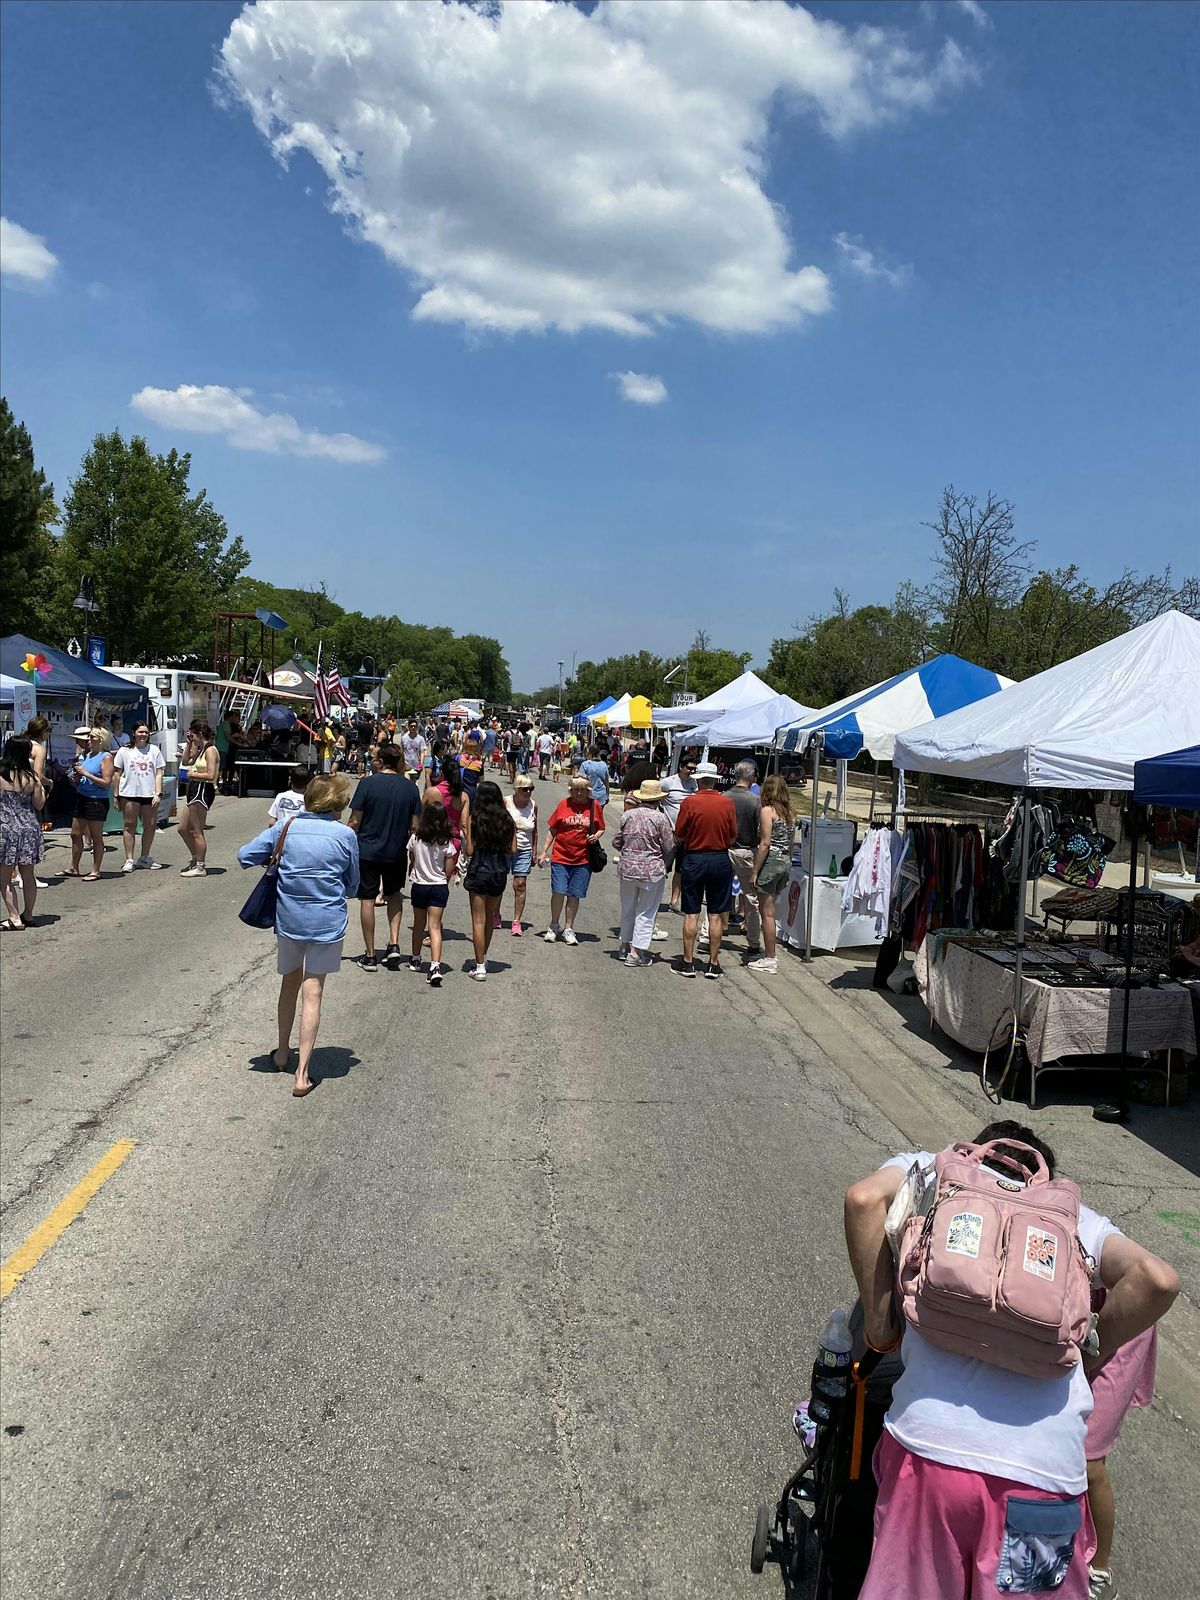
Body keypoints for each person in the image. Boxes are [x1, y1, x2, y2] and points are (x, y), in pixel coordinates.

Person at [844, 1121, 1181, 1600]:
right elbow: (1158, 1279)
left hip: (931, 1456)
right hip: (1046, 1481)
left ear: (976, 1153)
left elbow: (862, 1201)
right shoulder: (1076, 1221)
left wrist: (881, 1329)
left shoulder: (933, 1173)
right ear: (1042, 1180)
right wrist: (1081, 1357)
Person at [237, 772, 360, 1097]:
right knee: (313, 991)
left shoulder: (286, 826)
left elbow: (245, 855)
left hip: (290, 918)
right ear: (336, 803)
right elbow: (352, 884)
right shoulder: (345, 835)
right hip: (327, 921)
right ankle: (302, 1073)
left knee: (289, 982)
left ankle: (281, 1051)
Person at [348, 742, 422, 972]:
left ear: (381, 761)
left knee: (367, 900)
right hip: (396, 851)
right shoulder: (410, 788)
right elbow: (415, 826)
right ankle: (393, 943)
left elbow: (354, 822)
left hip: (368, 851)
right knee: (394, 895)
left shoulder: (367, 784)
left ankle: (370, 955)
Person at [673, 761, 735, 978]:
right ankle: (713, 962)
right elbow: (732, 834)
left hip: (695, 857)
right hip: (719, 857)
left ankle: (688, 961)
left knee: (691, 913)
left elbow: (679, 832)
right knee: (716, 914)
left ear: (698, 780)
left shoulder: (690, 803)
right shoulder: (727, 803)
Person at [613, 778, 675, 967]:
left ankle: (624, 944)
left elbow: (617, 842)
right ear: (657, 800)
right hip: (651, 870)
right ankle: (636, 951)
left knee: (628, 907)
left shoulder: (628, 816)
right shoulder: (660, 818)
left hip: (628, 868)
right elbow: (669, 846)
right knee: (646, 912)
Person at [539, 773, 605, 945]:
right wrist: (543, 851)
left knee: (574, 894)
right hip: (561, 856)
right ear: (570, 790)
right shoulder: (563, 804)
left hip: (583, 859)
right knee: (558, 891)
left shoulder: (594, 805)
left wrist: (596, 836)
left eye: (582, 790)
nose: (578, 793)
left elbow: (601, 828)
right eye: (575, 790)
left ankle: (569, 928)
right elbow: (552, 829)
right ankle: (554, 925)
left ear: (588, 791)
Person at [463, 779, 515, 980]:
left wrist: (469, 836)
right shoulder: (507, 820)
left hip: (478, 870)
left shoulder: (475, 819)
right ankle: (483, 958)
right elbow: (512, 849)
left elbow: (469, 851)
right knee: (489, 918)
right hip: (499, 872)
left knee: (477, 920)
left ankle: (479, 966)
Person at [407, 789, 458, 985]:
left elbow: (411, 857)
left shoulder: (416, 838)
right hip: (438, 885)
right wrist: (443, 878)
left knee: (418, 924)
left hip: (420, 884)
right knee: (434, 927)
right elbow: (450, 866)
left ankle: (416, 957)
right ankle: (435, 965)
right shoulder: (446, 842)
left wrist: (415, 867)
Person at [747, 774, 795, 974]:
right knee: (771, 910)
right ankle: (769, 953)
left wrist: (755, 871)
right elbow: (791, 844)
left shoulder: (768, 811)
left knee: (766, 913)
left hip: (771, 862)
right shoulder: (790, 813)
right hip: (784, 861)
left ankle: (770, 957)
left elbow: (765, 843)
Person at [0, 735, 47, 928]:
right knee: (29, 876)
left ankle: (14, 917)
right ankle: (28, 914)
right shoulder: (31, 777)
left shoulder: (1, 774)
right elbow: (39, 804)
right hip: (29, 828)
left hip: (5, 828)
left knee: (5, 877)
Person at [113, 721, 166, 871]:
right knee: (129, 825)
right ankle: (129, 859)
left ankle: (144, 857)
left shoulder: (154, 750)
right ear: (134, 733)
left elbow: (159, 773)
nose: (143, 735)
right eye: (140, 732)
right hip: (129, 793)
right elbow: (117, 773)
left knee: (150, 825)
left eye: (146, 732)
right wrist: (116, 795)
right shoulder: (124, 751)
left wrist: (158, 793)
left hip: (149, 794)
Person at [726, 760, 764, 955]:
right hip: (747, 852)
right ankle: (754, 941)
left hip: (725, 850)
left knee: (719, 895)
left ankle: (707, 935)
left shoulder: (725, 797)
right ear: (750, 778)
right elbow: (761, 829)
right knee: (751, 899)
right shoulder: (755, 800)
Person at [67, 726, 114, 881]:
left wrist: (86, 774)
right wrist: (77, 777)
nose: (88, 740)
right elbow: (84, 775)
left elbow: (106, 783)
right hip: (82, 796)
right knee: (75, 834)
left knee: (96, 836)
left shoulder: (105, 757)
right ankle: (74, 867)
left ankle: (96, 870)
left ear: (100, 740)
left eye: (92, 737)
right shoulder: (87, 755)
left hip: (96, 800)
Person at [178, 722, 219, 878]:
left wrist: (193, 775)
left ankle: (200, 866)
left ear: (200, 734)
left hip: (202, 790)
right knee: (182, 828)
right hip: (194, 789)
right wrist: (189, 745)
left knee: (196, 830)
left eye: (192, 734)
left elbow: (210, 775)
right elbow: (185, 762)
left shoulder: (211, 750)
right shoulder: (201, 749)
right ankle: (195, 857)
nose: (190, 737)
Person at [660, 753, 698, 911]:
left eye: (694, 769)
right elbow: (656, 800)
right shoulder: (668, 782)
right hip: (670, 833)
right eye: (689, 768)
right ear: (681, 767)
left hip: (687, 835)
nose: (692, 771)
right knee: (662, 868)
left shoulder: (694, 784)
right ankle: (654, 897)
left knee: (681, 870)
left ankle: (674, 901)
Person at [504, 773, 538, 935]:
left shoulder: (533, 805)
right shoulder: (506, 802)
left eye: (531, 789)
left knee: (520, 883)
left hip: (524, 849)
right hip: (504, 847)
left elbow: (535, 830)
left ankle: (516, 921)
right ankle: (495, 914)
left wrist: (534, 850)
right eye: (525, 789)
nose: (528, 792)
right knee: (499, 881)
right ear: (517, 789)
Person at [400, 718, 428, 782]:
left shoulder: (420, 739)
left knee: (415, 783)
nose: (413, 727)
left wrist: (421, 763)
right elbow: (402, 751)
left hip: (416, 765)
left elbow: (422, 752)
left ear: (417, 727)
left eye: (414, 726)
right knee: (406, 782)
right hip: (406, 765)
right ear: (408, 727)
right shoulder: (404, 738)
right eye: (411, 726)